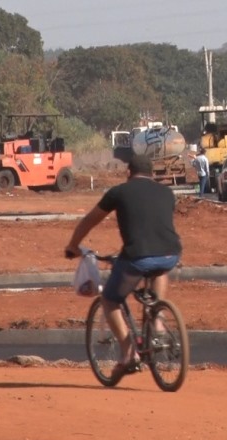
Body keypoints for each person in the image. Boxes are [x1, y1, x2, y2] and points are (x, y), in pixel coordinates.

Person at [65, 154, 182, 379]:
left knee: (110, 299)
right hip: (170, 254)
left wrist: (73, 246)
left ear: (128, 173)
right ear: (151, 173)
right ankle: (157, 319)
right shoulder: (167, 193)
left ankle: (129, 353)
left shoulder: (118, 192)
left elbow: (90, 220)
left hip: (137, 257)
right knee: (159, 268)